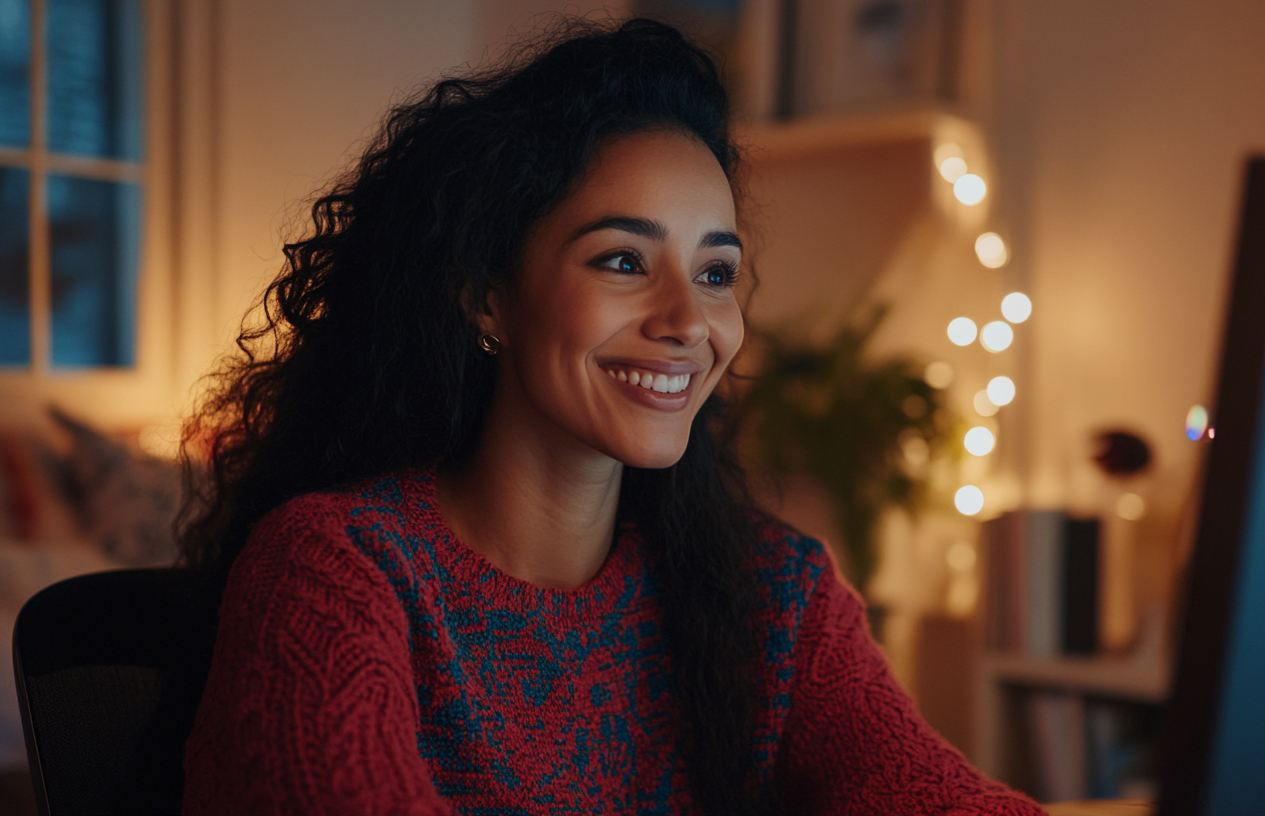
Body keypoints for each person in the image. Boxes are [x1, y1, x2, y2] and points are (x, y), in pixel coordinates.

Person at [179, 18, 1045, 816]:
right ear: (486, 297)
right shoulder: (335, 567)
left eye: (714, 273)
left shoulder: (775, 595)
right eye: (624, 260)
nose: (687, 322)